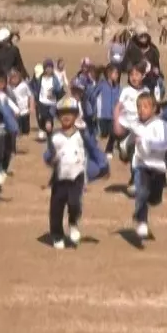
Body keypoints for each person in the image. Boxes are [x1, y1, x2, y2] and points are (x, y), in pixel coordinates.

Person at [43, 95, 107, 249]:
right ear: (58, 116)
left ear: (76, 115)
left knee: (74, 203)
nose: (66, 116)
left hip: (77, 176)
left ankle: (73, 223)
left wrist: (103, 165)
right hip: (59, 177)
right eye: (62, 113)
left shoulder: (82, 135)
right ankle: (57, 234)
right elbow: (48, 155)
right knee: (56, 208)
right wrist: (51, 159)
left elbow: (93, 149)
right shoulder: (55, 137)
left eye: (70, 112)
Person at [124, 92, 167, 241]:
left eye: (145, 106)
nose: (141, 110)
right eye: (139, 107)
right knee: (142, 193)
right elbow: (128, 137)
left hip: (158, 167)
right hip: (141, 165)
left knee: (155, 199)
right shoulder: (136, 124)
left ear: (154, 108)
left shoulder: (160, 124)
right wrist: (124, 149)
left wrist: (146, 142)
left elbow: (166, 144)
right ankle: (142, 222)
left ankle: (140, 211)